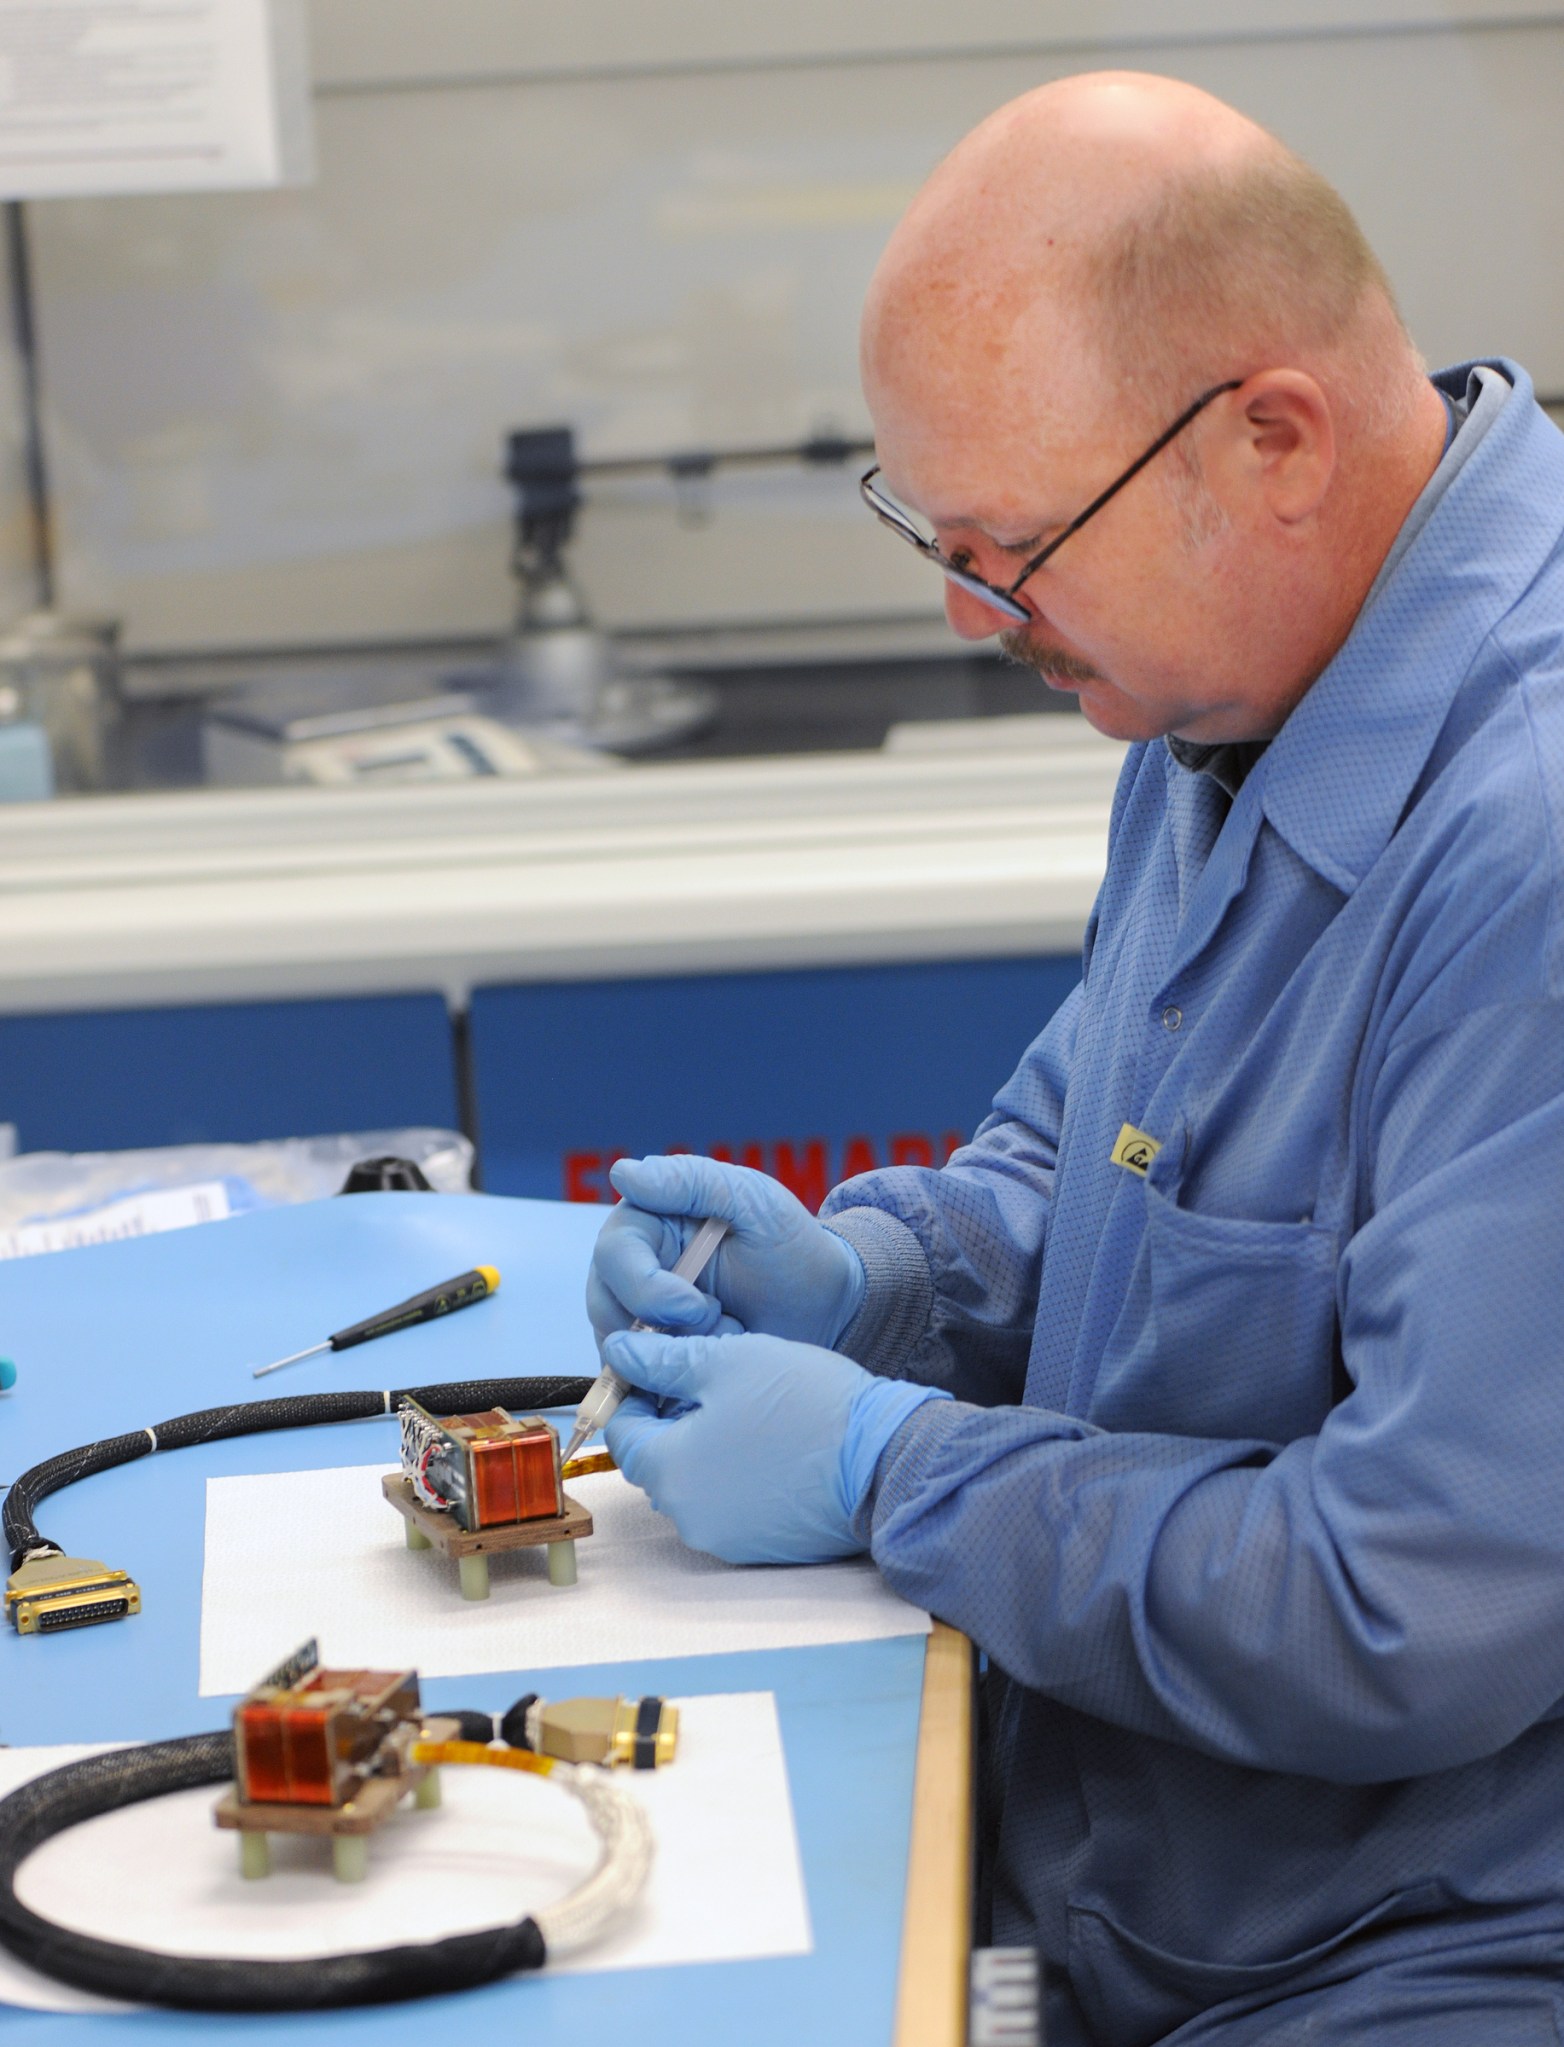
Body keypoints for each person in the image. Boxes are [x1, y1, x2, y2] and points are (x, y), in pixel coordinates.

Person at [587, 70, 1564, 2046]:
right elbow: (1086, 1175)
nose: (969, 615)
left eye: (1008, 547)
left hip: (1433, 1957)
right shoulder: (1227, 689)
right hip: (1171, 1901)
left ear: (1270, 439)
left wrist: (894, 1468)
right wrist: (881, 1280)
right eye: (932, 538)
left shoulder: (1521, 848)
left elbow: (1398, 1608)